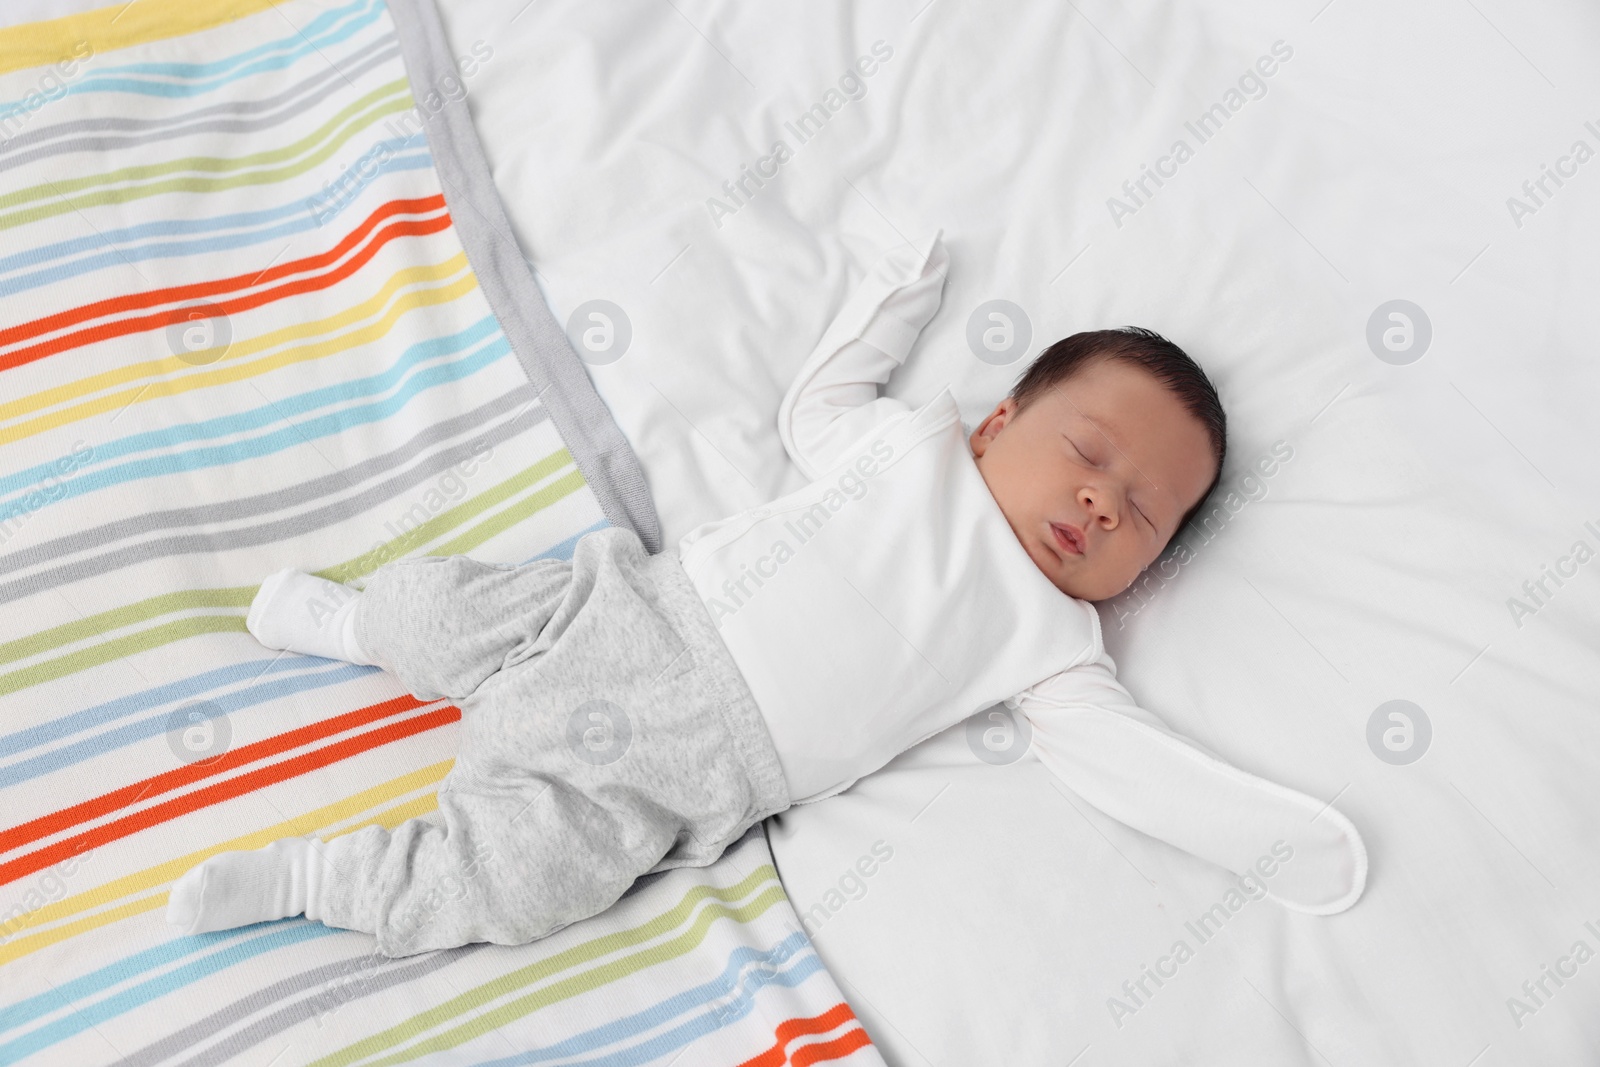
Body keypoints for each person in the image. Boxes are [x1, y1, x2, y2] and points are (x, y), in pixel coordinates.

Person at [167, 234, 1366, 956]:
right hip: (624, 611)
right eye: (1091, 454)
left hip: (680, 775)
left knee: (513, 883)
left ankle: (318, 880)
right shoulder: (918, 448)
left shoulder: (1052, 640)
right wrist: (893, 293)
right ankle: (349, 621)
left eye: (1142, 514)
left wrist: (1277, 838)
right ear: (1000, 421)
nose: (1105, 503)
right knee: (441, 608)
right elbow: (818, 412)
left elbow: (1129, 760)